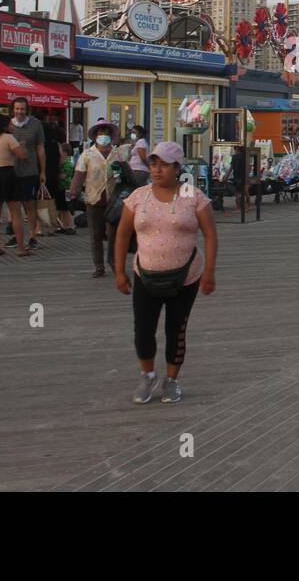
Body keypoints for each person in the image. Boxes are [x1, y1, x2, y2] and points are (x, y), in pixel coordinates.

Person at [114, 141, 218, 405]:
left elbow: (210, 236)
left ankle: (171, 381)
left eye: (164, 165)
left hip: (186, 277)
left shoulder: (193, 196)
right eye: (153, 164)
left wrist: (209, 272)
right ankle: (147, 375)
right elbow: (123, 234)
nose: (158, 170)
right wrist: (119, 271)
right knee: (143, 328)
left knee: (176, 328)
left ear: (177, 167)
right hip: (145, 273)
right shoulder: (138, 196)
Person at [68, 120, 125, 277]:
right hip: (93, 199)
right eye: (100, 135)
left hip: (113, 201)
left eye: (106, 134)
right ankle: (98, 266)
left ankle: (113, 262)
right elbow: (79, 176)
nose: (103, 137)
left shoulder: (117, 154)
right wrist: (73, 193)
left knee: (113, 234)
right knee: (95, 234)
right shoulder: (87, 154)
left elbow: (124, 175)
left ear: (111, 136)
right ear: (95, 137)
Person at [0, 114, 31, 256]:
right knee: (15, 212)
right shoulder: (9, 138)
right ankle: (20, 247)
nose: (12, 126)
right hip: (7, 173)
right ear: (4, 126)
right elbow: (23, 155)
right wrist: (22, 147)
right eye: (10, 124)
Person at [7, 97, 47, 249]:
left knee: (30, 204)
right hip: (11, 170)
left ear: (27, 109)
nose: (19, 112)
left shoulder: (36, 124)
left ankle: (32, 235)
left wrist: (43, 171)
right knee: (13, 205)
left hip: (30, 170)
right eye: (17, 109)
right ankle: (17, 236)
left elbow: (40, 148)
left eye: (22, 109)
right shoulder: (8, 125)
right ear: (13, 109)